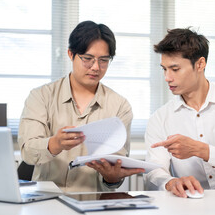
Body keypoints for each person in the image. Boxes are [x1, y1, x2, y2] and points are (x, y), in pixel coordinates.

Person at [18, 21, 144, 192]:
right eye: (87, 59)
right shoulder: (41, 96)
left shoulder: (120, 106)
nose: (95, 67)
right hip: (47, 201)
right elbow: (28, 152)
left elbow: (117, 166)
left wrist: (113, 176)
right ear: (71, 54)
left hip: (95, 202)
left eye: (104, 60)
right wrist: (55, 144)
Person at [145, 28, 215, 198]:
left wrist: (202, 150)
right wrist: (170, 182)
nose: (167, 78)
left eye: (175, 69)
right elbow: (154, 170)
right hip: (188, 207)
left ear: (200, 64)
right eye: (164, 69)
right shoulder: (160, 118)